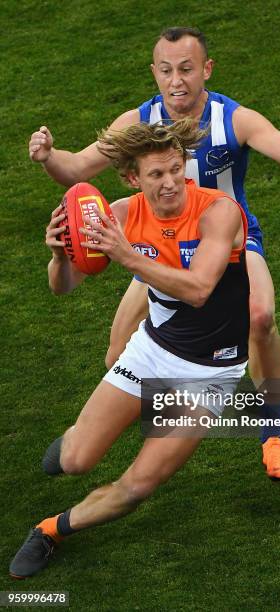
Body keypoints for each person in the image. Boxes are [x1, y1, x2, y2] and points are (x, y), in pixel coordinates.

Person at [28, 27, 280, 479]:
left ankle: (272, 431)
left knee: (260, 316)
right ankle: (98, 429)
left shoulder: (231, 118)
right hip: (158, 246)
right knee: (116, 353)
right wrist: (48, 156)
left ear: (206, 70)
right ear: (154, 73)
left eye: (186, 69)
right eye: (166, 70)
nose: (176, 81)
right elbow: (78, 168)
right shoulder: (137, 122)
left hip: (229, 242)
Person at [10, 118, 250, 579]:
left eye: (176, 169)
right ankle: (77, 438)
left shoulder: (218, 212)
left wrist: (127, 256)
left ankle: (50, 530)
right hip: (151, 353)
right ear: (131, 179)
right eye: (156, 175)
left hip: (209, 375)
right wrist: (61, 254)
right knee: (76, 460)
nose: (170, 183)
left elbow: (199, 289)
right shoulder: (119, 214)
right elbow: (63, 288)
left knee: (139, 485)